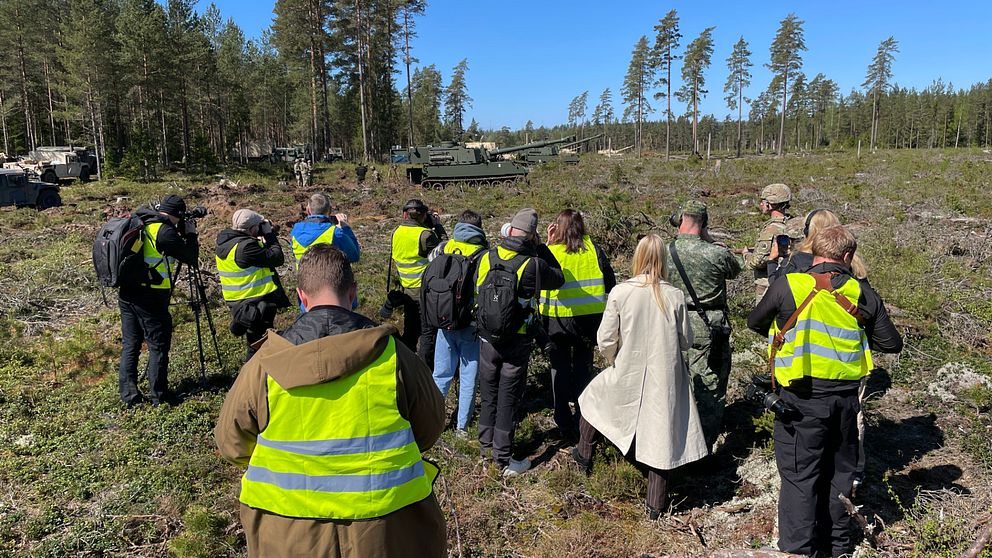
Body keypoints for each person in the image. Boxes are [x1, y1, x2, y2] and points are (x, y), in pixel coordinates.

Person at [214, 244, 447, 558]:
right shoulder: (396, 357)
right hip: (385, 531)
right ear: (352, 292)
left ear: (301, 296)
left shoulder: (263, 366)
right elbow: (429, 429)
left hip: (287, 536)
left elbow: (232, 444)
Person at [747, 226, 902, 558]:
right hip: (846, 402)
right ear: (847, 257)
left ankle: (798, 551)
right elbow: (892, 343)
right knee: (839, 475)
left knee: (800, 479)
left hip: (800, 402)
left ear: (812, 250)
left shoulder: (788, 285)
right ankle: (838, 547)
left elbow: (754, 322)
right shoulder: (862, 293)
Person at [573, 234, 708, 519]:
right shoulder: (673, 295)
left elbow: (606, 339)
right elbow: (686, 340)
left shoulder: (622, 292)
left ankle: (583, 455)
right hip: (665, 375)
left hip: (628, 368)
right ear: (662, 260)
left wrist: (613, 361)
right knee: (661, 434)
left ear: (637, 257)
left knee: (593, 399)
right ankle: (655, 506)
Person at [474, 208, 564, 475]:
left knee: (489, 394)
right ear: (531, 236)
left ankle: (485, 447)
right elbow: (558, 277)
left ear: (510, 230)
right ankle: (503, 460)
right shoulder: (533, 265)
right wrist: (543, 247)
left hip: (487, 339)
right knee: (508, 399)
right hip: (518, 341)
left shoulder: (486, 257)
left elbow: (477, 292)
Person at [665, 200, 742, 451]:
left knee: (674, 380)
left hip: (672, 321)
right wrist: (709, 240)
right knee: (710, 384)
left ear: (680, 220)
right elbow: (735, 270)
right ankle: (704, 447)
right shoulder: (716, 253)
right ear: (704, 224)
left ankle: (674, 439)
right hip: (710, 325)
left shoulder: (665, 251)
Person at [538, 209, 616, 441]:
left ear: (557, 228)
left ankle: (562, 420)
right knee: (584, 370)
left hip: (556, 322)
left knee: (559, 370)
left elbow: (535, 272)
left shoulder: (550, 252)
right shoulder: (594, 250)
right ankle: (584, 418)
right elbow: (610, 283)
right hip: (589, 322)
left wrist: (546, 243)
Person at [118, 194, 200, 406]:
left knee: (131, 344)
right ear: (177, 214)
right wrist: (190, 235)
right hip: (150, 297)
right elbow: (191, 257)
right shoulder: (163, 231)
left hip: (127, 292)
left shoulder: (142, 222)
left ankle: (130, 396)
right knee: (158, 346)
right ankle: (159, 396)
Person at [426, 210, 489, 436]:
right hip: (469, 324)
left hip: (443, 319)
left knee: (441, 373)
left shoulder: (443, 248)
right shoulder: (483, 254)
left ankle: (432, 420)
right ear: (479, 228)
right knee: (468, 375)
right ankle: (462, 426)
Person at [215, 209, 291, 358]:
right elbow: (277, 258)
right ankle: (254, 377)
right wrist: (269, 235)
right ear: (252, 229)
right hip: (254, 302)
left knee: (255, 342)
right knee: (259, 347)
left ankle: (240, 323)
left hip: (239, 300)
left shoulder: (226, 242)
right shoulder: (246, 248)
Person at [388, 199, 447, 365]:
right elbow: (444, 252)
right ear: (422, 215)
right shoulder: (426, 235)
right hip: (424, 291)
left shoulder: (396, 232)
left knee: (410, 331)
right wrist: (437, 226)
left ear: (405, 214)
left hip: (406, 289)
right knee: (428, 333)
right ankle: (425, 368)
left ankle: (405, 365)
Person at [770, 209, 868, 282]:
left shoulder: (796, 259)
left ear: (808, 231)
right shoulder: (853, 263)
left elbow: (775, 285)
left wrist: (771, 261)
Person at [744, 183, 793, 302]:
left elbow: (757, 261)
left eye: (763, 201)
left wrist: (746, 254)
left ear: (771, 204)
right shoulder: (793, 224)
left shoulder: (771, 229)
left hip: (768, 286)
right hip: (789, 283)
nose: (761, 204)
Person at [290, 193, 361, 267]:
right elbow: (355, 256)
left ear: (308, 210)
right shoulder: (335, 233)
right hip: (330, 277)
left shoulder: (295, 230)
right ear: (330, 210)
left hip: (303, 276)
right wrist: (345, 228)